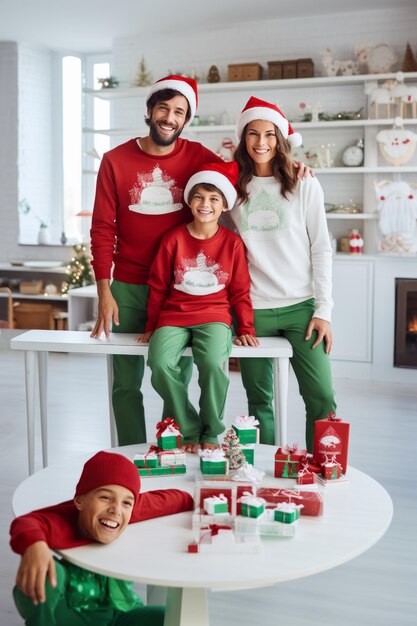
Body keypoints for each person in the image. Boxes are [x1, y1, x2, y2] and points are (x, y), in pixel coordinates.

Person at [89, 75, 224, 447]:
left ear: (186, 120)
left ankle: (172, 452)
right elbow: (102, 228)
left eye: (179, 112)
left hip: (179, 290)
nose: (169, 117)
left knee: (174, 375)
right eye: (163, 108)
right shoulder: (115, 161)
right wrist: (105, 289)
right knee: (125, 382)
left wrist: (294, 167)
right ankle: (131, 456)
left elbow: (243, 176)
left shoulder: (199, 157)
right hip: (128, 288)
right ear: (150, 111)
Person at [229, 96, 337, 452]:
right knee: (259, 403)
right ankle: (263, 474)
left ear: (281, 140)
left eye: (270, 135)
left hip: (302, 308)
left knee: (321, 396)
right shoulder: (232, 190)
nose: (261, 142)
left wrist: (324, 310)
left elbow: (321, 247)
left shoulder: (304, 183)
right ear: (243, 139)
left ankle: (322, 468)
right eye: (253, 134)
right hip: (253, 310)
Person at [138, 162, 259, 453]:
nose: (206, 204)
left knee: (213, 364)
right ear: (191, 202)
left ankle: (213, 431)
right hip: (174, 315)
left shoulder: (232, 244)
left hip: (214, 317)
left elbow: (240, 290)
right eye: (200, 197)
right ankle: (190, 427)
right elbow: (158, 286)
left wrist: (245, 327)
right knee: (160, 363)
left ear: (224, 206)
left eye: (214, 199)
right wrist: (152, 326)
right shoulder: (173, 240)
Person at [10, 450, 193, 625]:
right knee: (48, 575)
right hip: (75, 615)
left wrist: (199, 500)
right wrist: (35, 546)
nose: (115, 509)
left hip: (120, 613)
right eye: (105, 497)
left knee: (173, 619)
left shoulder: (123, 512)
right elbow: (28, 522)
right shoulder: (66, 520)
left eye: (127, 502)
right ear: (80, 501)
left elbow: (168, 500)